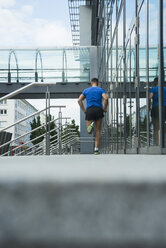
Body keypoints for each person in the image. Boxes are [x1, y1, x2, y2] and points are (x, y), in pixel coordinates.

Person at [78, 77, 108, 154]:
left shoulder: (86, 90)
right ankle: (96, 149)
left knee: (89, 132)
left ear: (91, 83)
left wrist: (84, 110)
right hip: (98, 110)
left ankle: (91, 125)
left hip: (89, 110)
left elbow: (79, 100)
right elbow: (106, 98)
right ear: (97, 83)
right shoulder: (100, 90)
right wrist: (104, 108)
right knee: (98, 130)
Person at [149, 76, 166, 146]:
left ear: (155, 82)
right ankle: (164, 142)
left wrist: (150, 106)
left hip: (156, 107)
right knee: (164, 125)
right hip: (165, 107)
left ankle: (158, 144)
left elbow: (150, 97)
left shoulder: (153, 89)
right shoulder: (165, 89)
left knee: (156, 127)